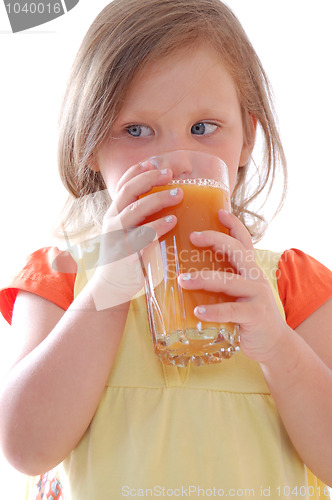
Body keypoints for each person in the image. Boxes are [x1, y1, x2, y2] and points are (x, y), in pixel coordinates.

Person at [0, 0, 332, 498]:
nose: (174, 164)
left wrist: (279, 348)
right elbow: (26, 447)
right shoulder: (63, 279)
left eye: (203, 128)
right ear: (90, 147)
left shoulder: (290, 286)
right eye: (136, 131)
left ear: (247, 139)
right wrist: (104, 293)